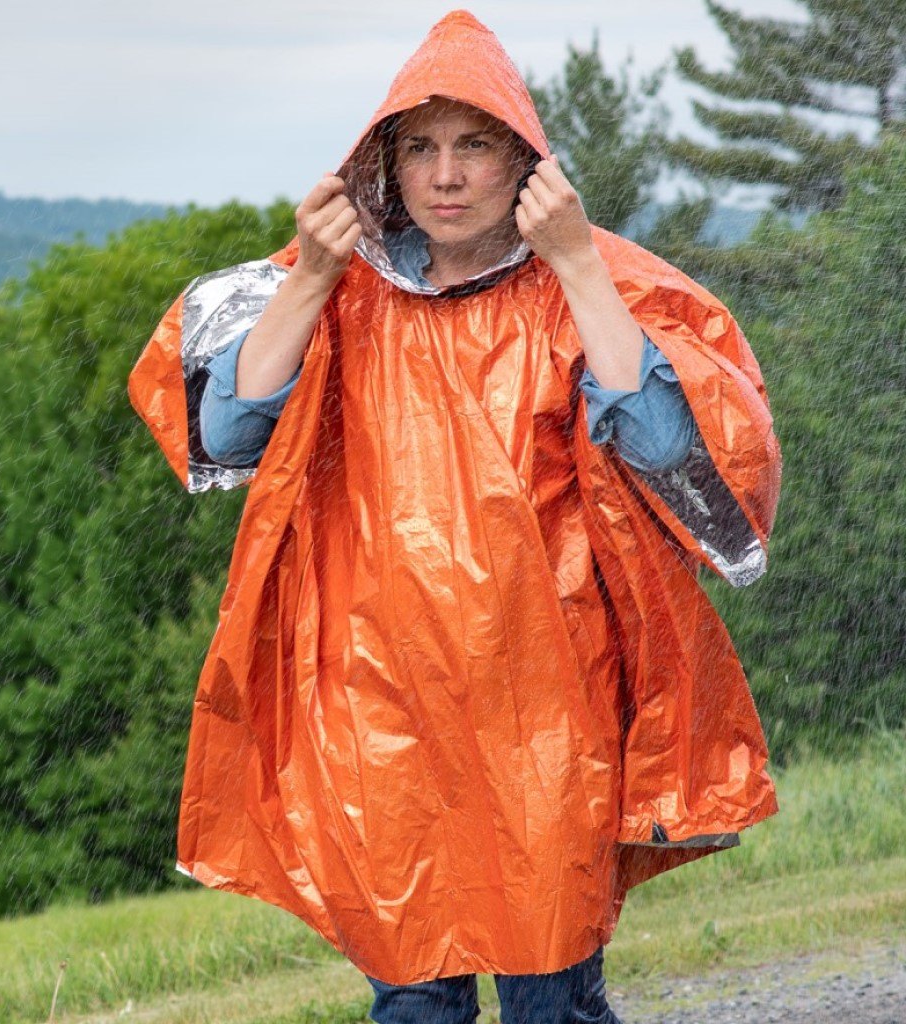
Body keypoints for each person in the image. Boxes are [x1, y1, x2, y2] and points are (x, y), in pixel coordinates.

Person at [128, 10, 782, 1024]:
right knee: (415, 1005)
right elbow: (227, 426)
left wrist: (572, 263)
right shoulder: (340, 294)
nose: (444, 175)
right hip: (380, 710)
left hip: (547, 708)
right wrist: (306, 275)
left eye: (472, 145)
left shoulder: (587, 285)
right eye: (419, 146)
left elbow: (666, 450)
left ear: (523, 162)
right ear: (381, 164)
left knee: (549, 1001)